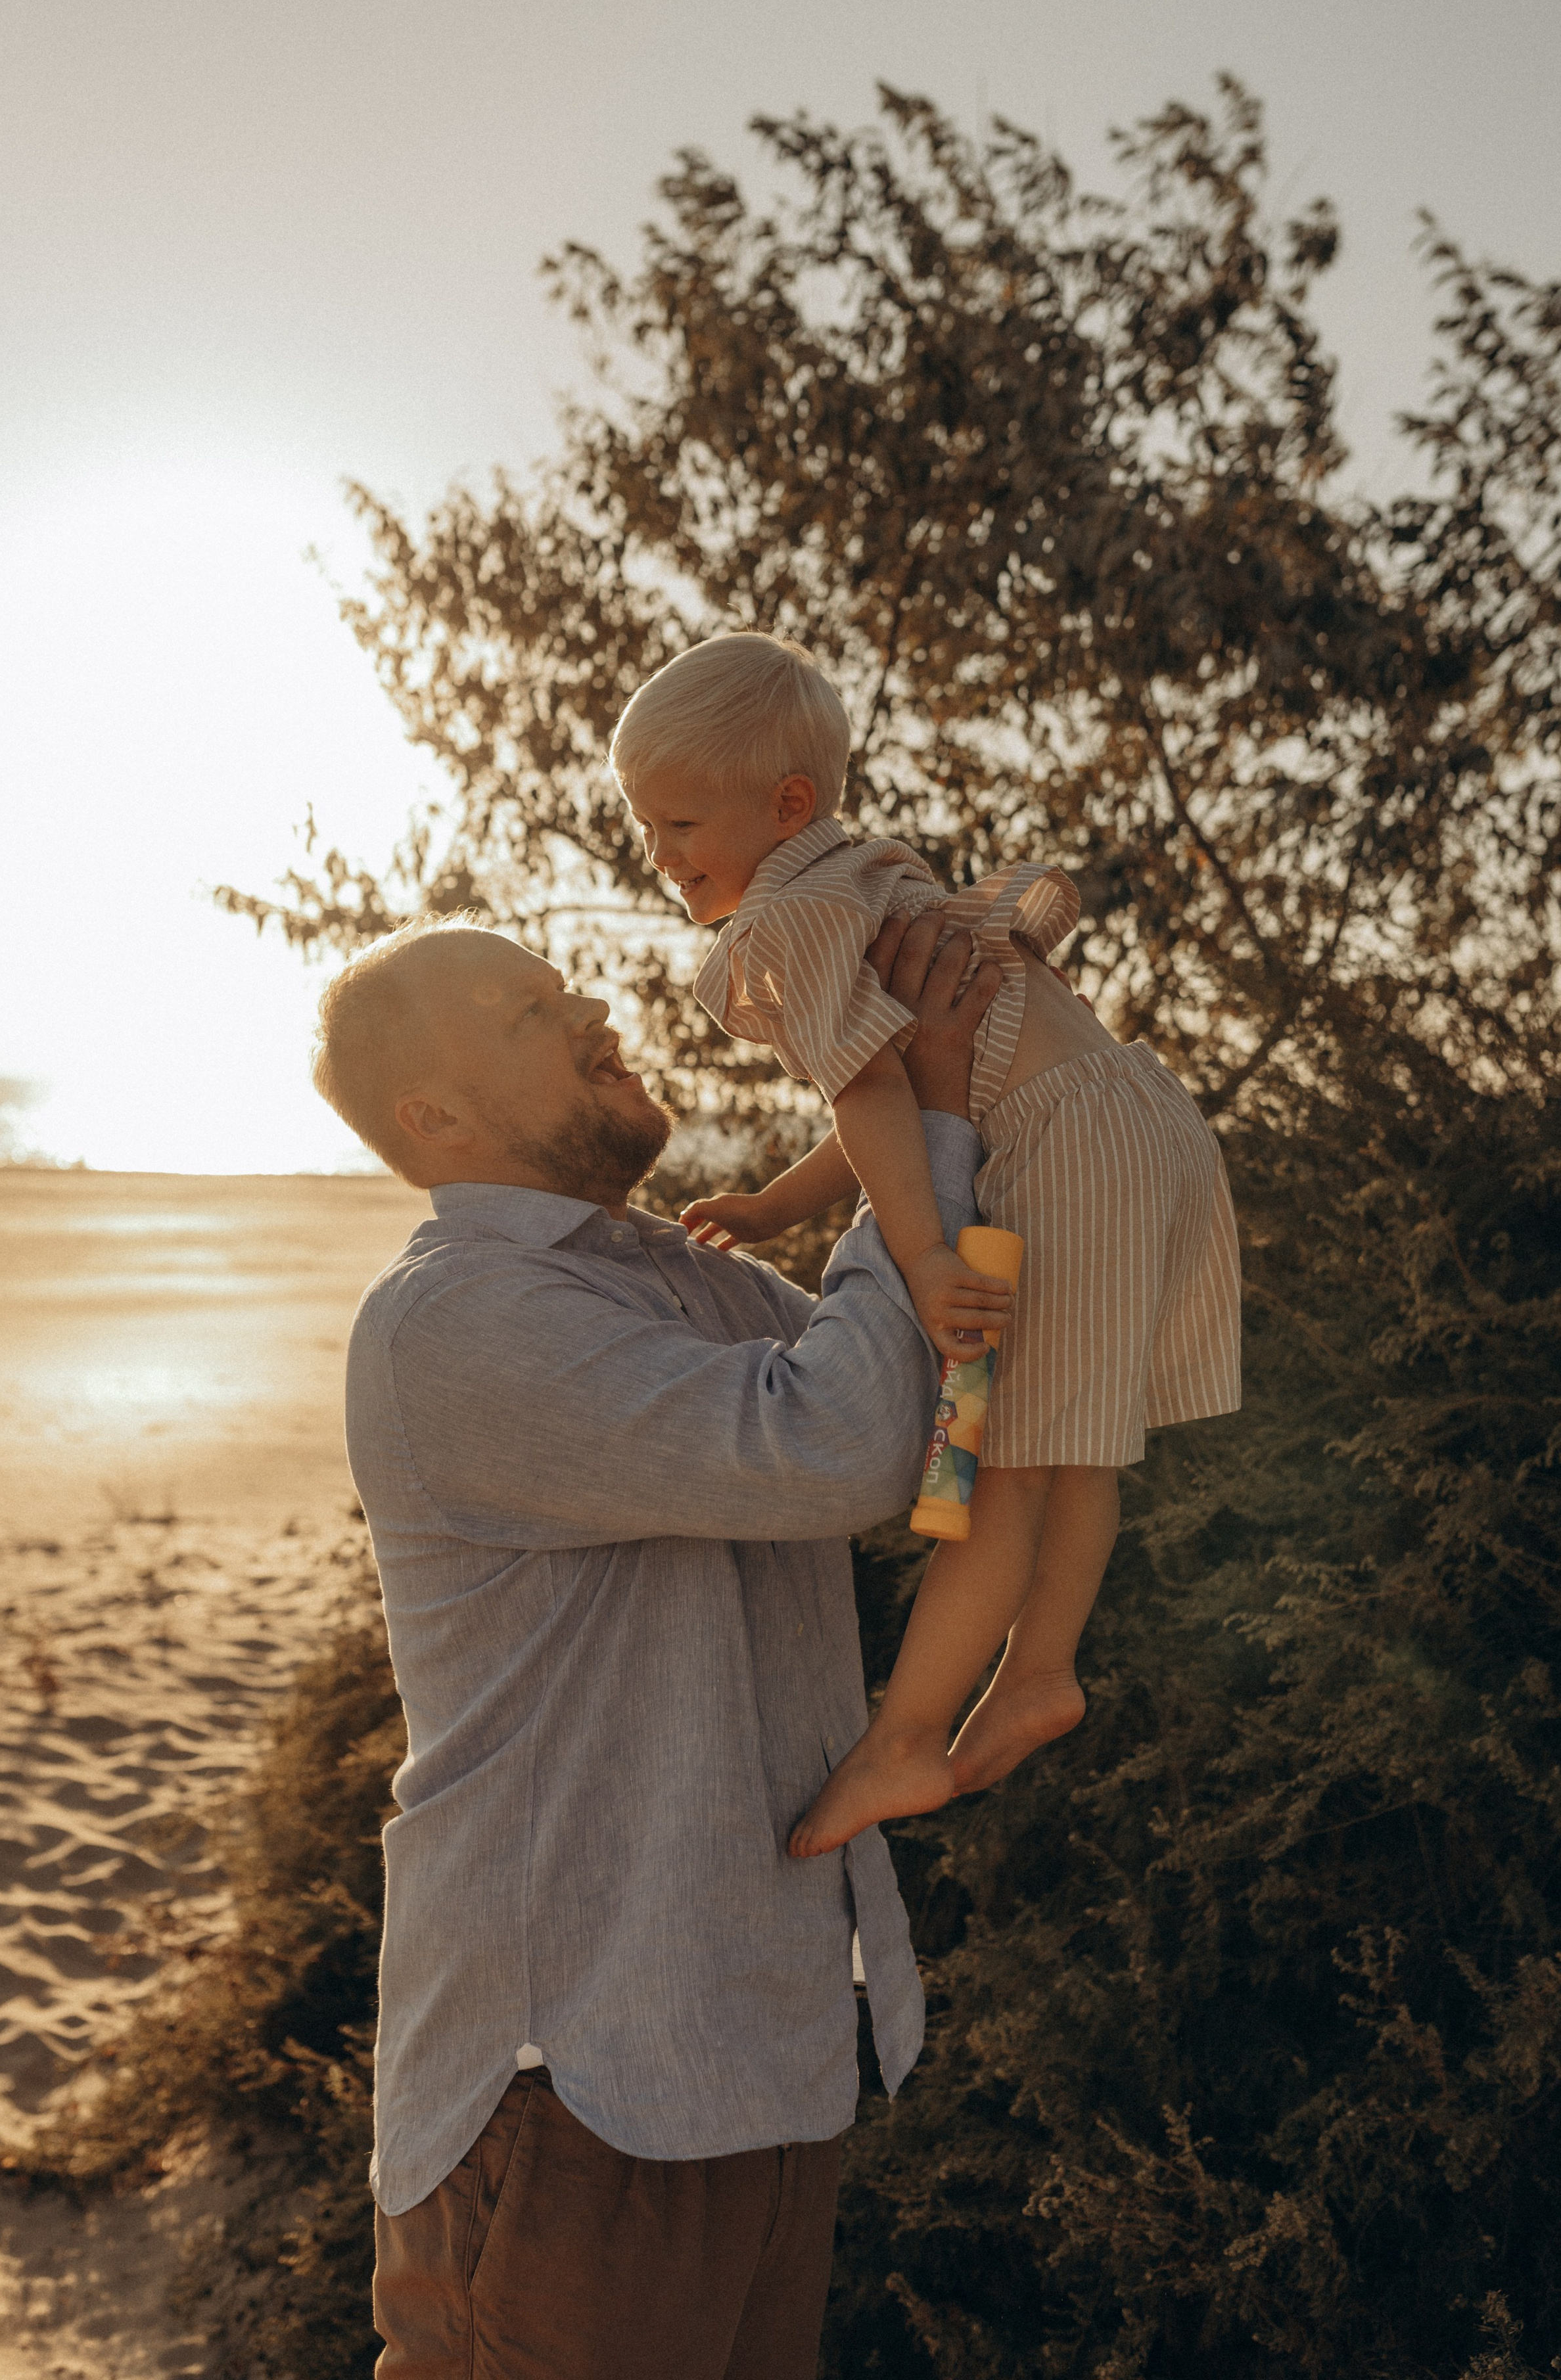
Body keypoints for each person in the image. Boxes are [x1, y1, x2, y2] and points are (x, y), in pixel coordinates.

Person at [317, 904, 1006, 2379]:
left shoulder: (683, 1278)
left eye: (561, 982)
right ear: (430, 1117)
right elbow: (841, 1445)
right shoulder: (458, 1319)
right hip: (572, 2076)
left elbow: (920, 1404)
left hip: (762, 2051)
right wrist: (921, 1101)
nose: (586, 1008)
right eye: (524, 1012)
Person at [610, 631, 1243, 1860]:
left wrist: (928, 1257)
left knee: (995, 1467)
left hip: (1063, 1148)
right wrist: (784, 1206)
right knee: (1068, 1454)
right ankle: (1041, 1671)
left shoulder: (790, 920)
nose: (660, 855)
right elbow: (889, 1087)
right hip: (1136, 1122)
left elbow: (878, 1098)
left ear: (786, 804)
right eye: (648, 826)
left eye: (680, 824)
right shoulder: (866, 876)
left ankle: (907, 1739)